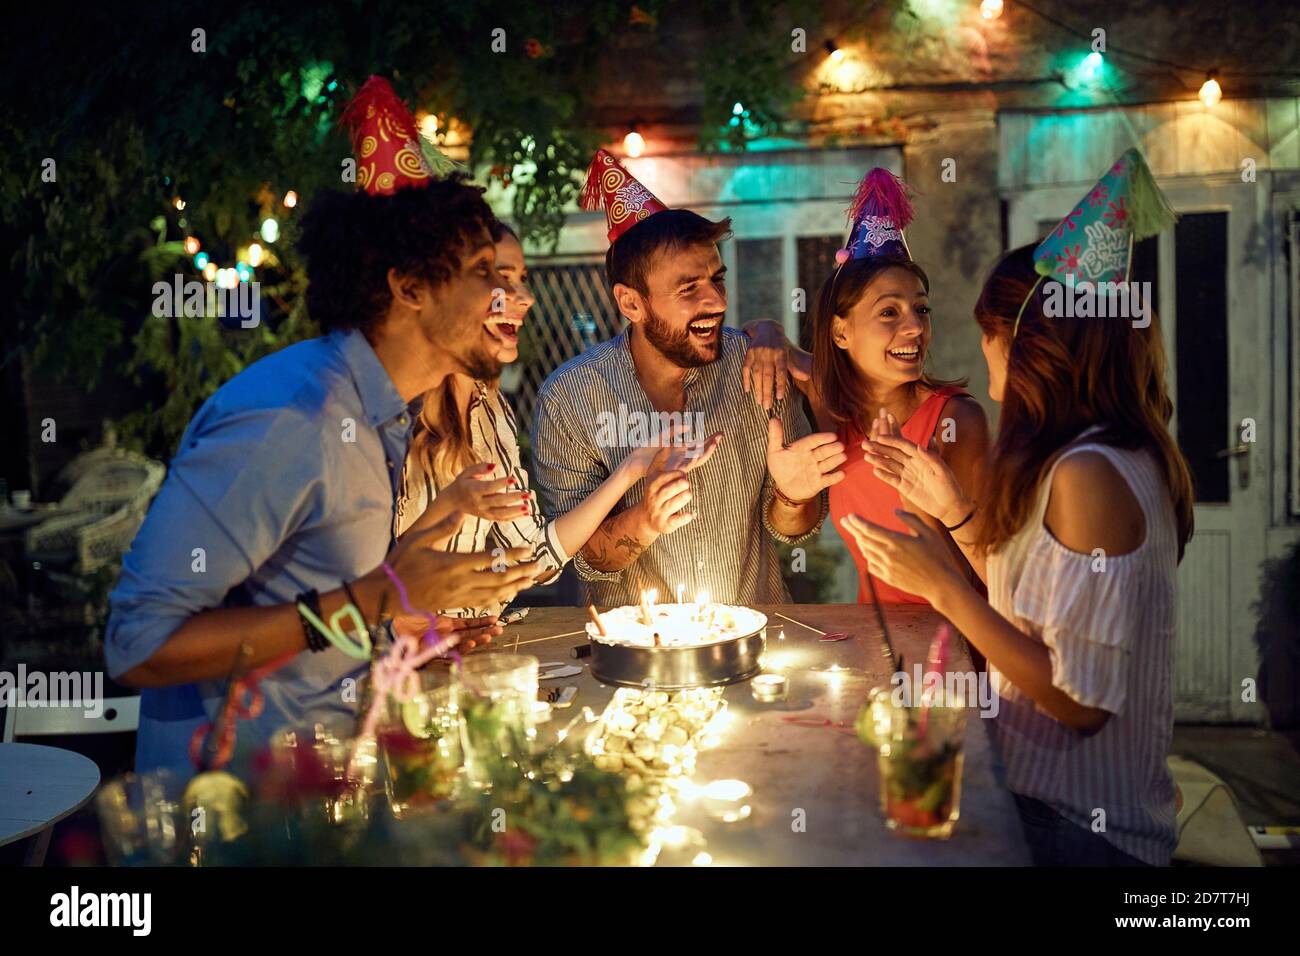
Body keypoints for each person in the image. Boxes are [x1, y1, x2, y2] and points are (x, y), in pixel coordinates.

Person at [105, 77, 541, 773]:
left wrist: (409, 625)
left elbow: (326, 607)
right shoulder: (289, 421)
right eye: (485, 273)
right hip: (232, 811)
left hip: (328, 787)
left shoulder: (388, 416)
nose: (508, 296)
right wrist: (380, 596)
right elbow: (140, 646)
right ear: (409, 289)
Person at [844, 149, 1191, 866]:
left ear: (1029, 344)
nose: (980, 349)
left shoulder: (1089, 475)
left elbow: (1079, 699)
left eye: (989, 331)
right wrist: (958, 513)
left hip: (1084, 833)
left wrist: (941, 585)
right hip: (1046, 806)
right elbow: (1043, 603)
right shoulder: (1098, 455)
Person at [529, 149, 845, 608]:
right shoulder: (571, 398)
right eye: (689, 289)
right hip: (635, 657)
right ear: (631, 304)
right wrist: (645, 520)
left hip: (754, 641)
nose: (717, 301)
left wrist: (794, 499)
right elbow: (578, 552)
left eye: (718, 279)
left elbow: (792, 531)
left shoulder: (754, 367)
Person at [394, 222, 719, 622]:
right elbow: (348, 592)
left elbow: (531, 559)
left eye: (522, 279)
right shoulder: (385, 415)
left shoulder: (491, 412)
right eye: (496, 277)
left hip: (469, 655)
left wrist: (630, 470)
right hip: (397, 667)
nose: (525, 298)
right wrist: (418, 627)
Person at [740, 168, 990, 604]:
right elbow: (762, 337)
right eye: (889, 313)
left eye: (921, 309)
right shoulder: (827, 398)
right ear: (841, 334)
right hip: (874, 640)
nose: (915, 328)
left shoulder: (955, 420)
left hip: (955, 645)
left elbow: (992, 564)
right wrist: (766, 331)